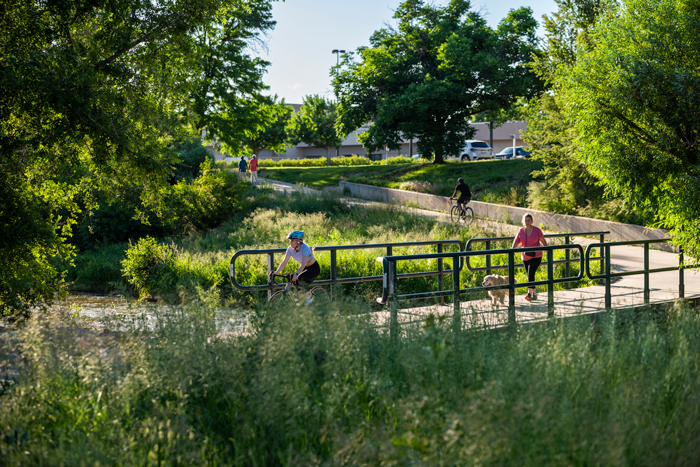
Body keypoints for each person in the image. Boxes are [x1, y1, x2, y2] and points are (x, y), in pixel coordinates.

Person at [511, 213, 548, 301]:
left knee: (530, 273)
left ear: (532, 221)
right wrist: (511, 251)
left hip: (536, 255)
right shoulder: (521, 231)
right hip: (525, 256)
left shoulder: (537, 230)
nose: (527, 222)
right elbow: (516, 242)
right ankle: (534, 294)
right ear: (523, 221)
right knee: (530, 274)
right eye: (526, 220)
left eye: (529, 220)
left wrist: (547, 251)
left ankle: (529, 293)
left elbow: (543, 241)